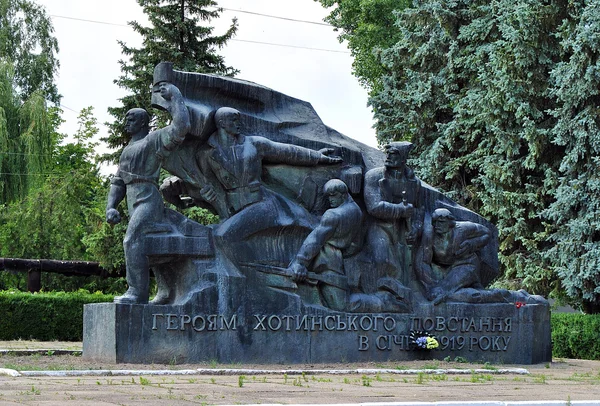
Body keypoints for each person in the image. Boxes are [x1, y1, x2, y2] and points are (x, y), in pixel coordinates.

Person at [197, 107, 343, 264]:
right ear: (221, 123)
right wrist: (205, 195)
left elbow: (286, 152)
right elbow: (211, 185)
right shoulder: (207, 154)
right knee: (215, 235)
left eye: (238, 119)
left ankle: (251, 275)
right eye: (233, 119)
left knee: (223, 236)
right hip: (233, 209)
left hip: (261, 203)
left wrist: (316, 156)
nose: (238, 123)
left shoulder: (254, 144)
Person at [105, 82, 191, 304]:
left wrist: (175, 97)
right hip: (133, 202)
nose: (126, 122)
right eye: (126, 119)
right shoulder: (126, 150)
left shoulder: (153, 141)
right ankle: (164, 291)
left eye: (131, 119)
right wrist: (111, 206)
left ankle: (136, 292)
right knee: (145, 245)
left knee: (132, 239)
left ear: (143, 122)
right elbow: (118, 182)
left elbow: (180, 127)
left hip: (148, 200)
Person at [288, 179, 363, 310]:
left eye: (333, 195)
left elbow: (316, 239)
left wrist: (299, 263)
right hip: (338, 259)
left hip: (326, 261)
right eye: (328, 196)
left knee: (342, 306)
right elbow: (355, 243)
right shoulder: (357, 211)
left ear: (344, 195)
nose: (330, 200)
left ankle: (383, 302)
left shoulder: (333, 214)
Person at [363, 141, 421, 287]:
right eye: (387, 152)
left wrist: (416, 228)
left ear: (403, 158)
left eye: (393, 153)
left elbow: (420, 209)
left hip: (403, 231)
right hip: (380, 226)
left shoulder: (414, 182)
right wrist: (401, 210)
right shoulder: (374, 176)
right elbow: (374, 207)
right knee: (381, 260)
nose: (388, 156)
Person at [415, 208, 491, 304]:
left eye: (442, 222)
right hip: (441, 268)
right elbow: (422, 262)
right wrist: (431, 285)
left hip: (465, 264)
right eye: (435, 222)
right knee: (436, 292)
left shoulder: (463, 229)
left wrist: (472, 244)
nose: (437, 225)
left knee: (443, 289)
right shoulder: (429, 235)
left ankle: (491, 296)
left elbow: (486, 232)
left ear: (450, 223)